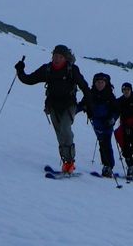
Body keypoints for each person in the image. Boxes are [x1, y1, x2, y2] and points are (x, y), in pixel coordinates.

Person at [15, 44, 91, 174]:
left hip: (69, 105)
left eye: (60, 56)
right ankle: (66, 162)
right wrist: (20, 71)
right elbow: (29, 80)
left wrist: (87, 104)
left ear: (65, 58)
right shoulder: (47, 69)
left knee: (65, 130)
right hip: (53, 106)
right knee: (60, 135)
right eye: (55, 56)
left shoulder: (72, 70)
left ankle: (70, 162)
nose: (57, 58)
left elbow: (84, 86)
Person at [81, 72, 119, 177]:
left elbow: (116, 110)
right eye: (98, 82)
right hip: (96, 122)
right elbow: (82, 104)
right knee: (102, 143)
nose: (100, 84)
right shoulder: (90, 94)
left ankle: (108, 166)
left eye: (102, 82)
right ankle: (107, 165)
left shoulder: (110, 96)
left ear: (106, 83)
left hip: (107, 123)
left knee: (105, 142)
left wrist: (112, 119)